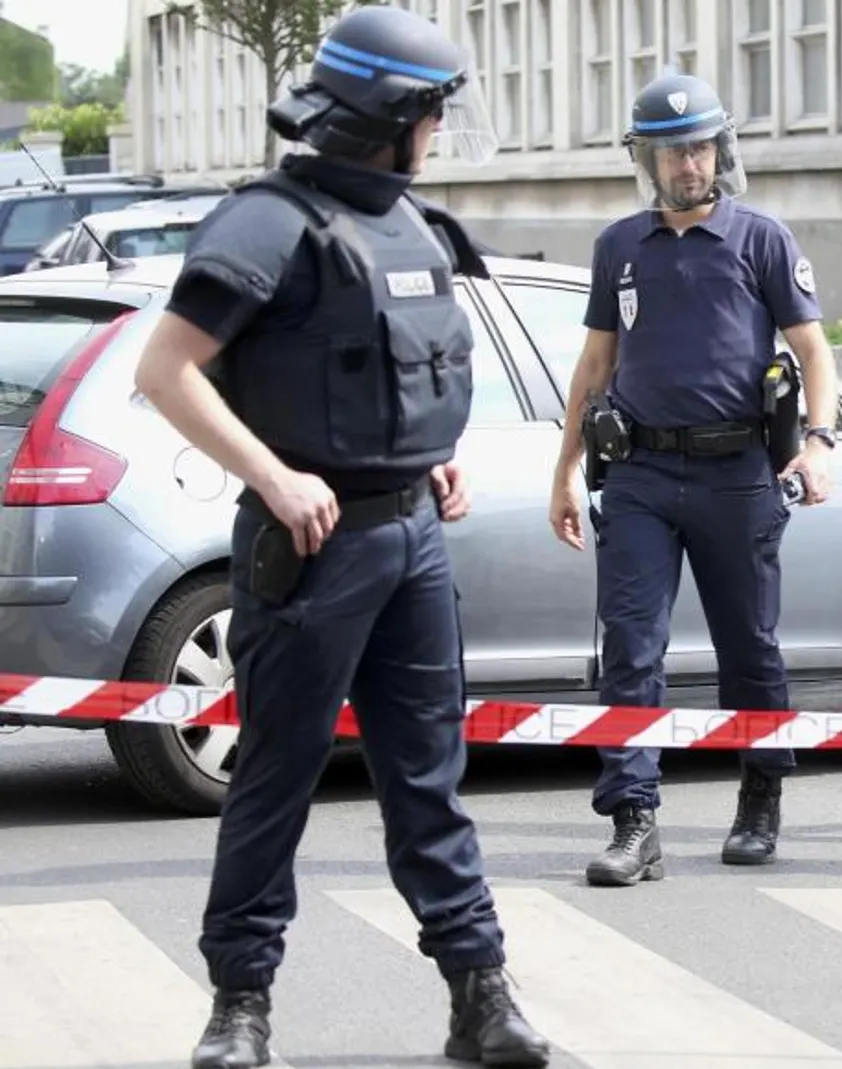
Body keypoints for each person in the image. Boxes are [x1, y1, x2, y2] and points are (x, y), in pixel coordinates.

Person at [130, 7, 549, 1067]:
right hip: (311, 551)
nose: (443, 131)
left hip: (412, 537)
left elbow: (398, 372)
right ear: (390, 116)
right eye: (435, 111)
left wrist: (427, 456)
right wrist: (271, 476)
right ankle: (239, 1006)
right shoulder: (267, 223)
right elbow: (164, 371)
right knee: (275, 776)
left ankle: (479, 995)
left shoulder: (414, 226)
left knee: (426, 777)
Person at [549, 72, 838, 879]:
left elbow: (814, 350)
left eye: (701, 146)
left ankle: (760, 795)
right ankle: (634, 819)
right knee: (630, 649)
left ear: (723, 150)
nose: (688, 164)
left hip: (737, 473)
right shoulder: (619, 247)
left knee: (750, 649)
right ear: (646, 159)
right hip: (639, 473)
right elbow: (595, 363)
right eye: (672, 151)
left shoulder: (761, 240)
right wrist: (564, 471)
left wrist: (817, 441)